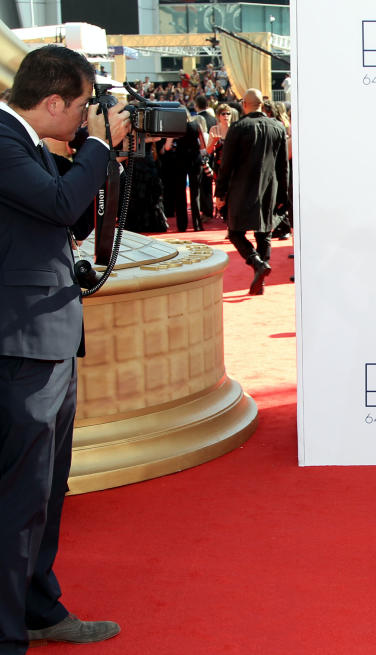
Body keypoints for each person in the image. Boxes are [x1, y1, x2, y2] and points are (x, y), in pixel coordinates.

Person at [0, 44, 131, 653]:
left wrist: (93, 158)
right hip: (21, 346)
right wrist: (100, 149)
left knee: (46, 493)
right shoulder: (3, 141)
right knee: (20, 499)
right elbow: (58, 204)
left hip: (47, 338)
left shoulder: (30, 144)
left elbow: (69, 221)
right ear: (52, 101)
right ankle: (9, 635)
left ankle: (39, 610)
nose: (86, 117)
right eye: (82, 107)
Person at [214, 88, 288, 295]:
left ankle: (257, 263)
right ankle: (261, 278)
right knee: (264, 233)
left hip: (242, 188)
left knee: (235, 232)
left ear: (244, 104)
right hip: (269, 187)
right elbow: (283, 166)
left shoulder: (239, 127)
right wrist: (283, 194)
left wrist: (220, 193)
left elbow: (226, 165)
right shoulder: (278, 128)